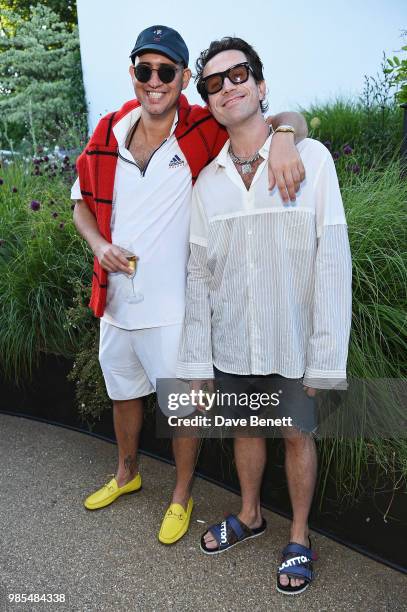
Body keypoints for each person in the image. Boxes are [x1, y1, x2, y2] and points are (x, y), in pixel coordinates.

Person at [71, 25, 308, 545]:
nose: (154, 81)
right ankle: (126, 473)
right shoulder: (108, 130)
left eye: (166, 71)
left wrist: (287, 137)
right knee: (124, 395)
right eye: (144, 69)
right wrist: (98, 247)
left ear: (182, 79)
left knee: (182, 409)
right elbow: (80, 203)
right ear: (133, 73)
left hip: (174, 307)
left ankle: (182, 494)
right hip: (115, 302)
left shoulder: (204, 127)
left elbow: (280, 119)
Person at [176, 37, 352, 593]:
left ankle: (298, 535)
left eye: (238, 74)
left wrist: (326, 358)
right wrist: (197, 359)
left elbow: (333, 259)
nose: (227, 86)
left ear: (260, 84)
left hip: (295, 339)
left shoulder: (313, 159)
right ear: (207, 101)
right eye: (213, 82)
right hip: (233, 341)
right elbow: (198, 274)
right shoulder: (207, 184)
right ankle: (250, 514)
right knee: (246, 429)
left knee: (298, 435)